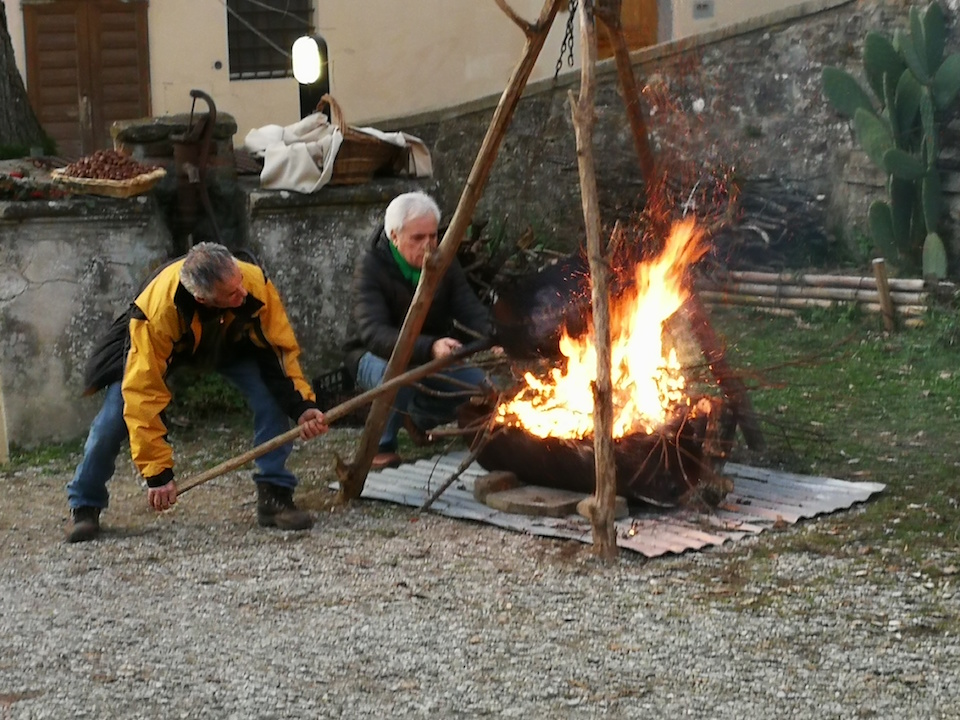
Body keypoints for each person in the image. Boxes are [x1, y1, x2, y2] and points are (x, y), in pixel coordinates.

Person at [66, 243, 329, 543]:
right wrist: (158, 473)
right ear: (202, 298)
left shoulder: (250, 281)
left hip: (231, 344)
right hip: (171, 348)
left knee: (272, 398)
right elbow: (143, 393)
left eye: (239, 284)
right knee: (113, 419)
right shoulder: (156, 311)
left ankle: (275, 495)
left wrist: (302, 406)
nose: (243, 294)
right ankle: (85, 504)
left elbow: (279, 349)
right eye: (232, 293)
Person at [342, 191, 494, 470]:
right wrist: (431, 346)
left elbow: (469, 308)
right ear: (394, 236)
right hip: (373, 355)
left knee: (482, 387)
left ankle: (419, 416)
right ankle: (381, 445)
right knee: (396, 375)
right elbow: (374, 333)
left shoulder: (444, 262)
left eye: (433, 236)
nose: (429, 245)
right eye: (417, 238)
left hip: (427, 355)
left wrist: (494, 336)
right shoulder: (371, 267)